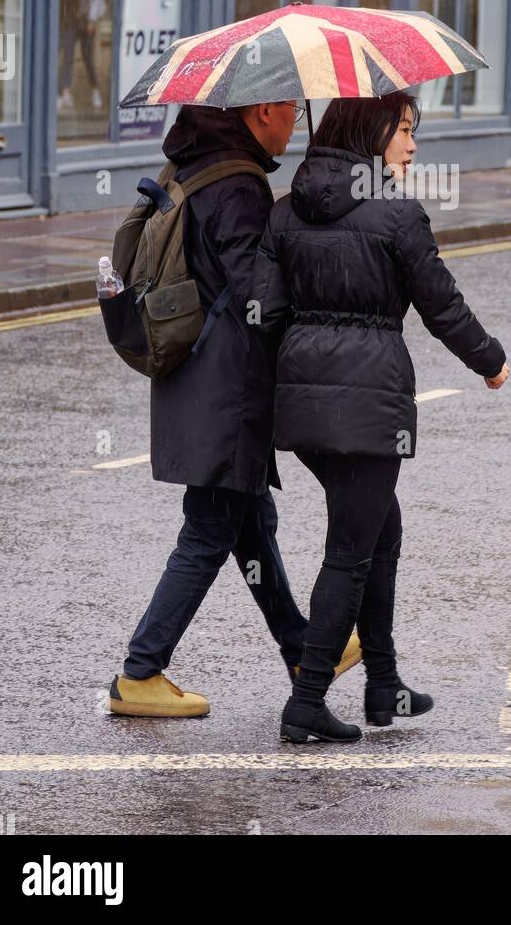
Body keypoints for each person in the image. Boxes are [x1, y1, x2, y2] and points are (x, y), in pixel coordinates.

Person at [252, 92, 509, 744]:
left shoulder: (282, 214)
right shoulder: (397, 215)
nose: (413, 143)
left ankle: (384, 683)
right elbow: (441, 305)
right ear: (371, 132)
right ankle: (306, 700)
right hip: (369, 406)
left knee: (379, 531)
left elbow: (265, 313)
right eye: (403, 129)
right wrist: (490, 360)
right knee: (349, 552)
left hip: (304, 405)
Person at [109, 100, 360, 718]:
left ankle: (302, 648)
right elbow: (259, 294)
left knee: (248, 520)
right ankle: (140, 672)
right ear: (266, 110)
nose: (295, 127)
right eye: (292, 117)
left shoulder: (197, 162)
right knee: (210, 526)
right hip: (228, 385)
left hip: (200, 376)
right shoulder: (239, 183)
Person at [58, 0, 105, 114]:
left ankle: (95, 89)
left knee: (87, 57)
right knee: (68, 56)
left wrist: (92, 19)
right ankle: (65, 91)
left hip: (85, 21)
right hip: (71, 21)